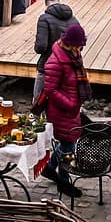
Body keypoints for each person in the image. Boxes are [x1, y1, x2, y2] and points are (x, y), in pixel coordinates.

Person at [40, 23, 90, 198]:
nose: (80, 48)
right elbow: (50, 90)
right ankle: (64, 182)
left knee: (67, 144)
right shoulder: (56, 61)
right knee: (68, 146)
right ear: (69, 44)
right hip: (61, 110)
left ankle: (48, 168)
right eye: (78, 45)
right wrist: (70, 103)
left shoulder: (73, 55)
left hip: (72, 109)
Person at [34, 0, 79, 101]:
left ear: (47, 6)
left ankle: (38, 118)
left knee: (38, 101)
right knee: (62, 100)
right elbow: (79, 44)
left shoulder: (44, 18)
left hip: (47, 65)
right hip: (69, 67)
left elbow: (41, 47)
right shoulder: (73, 19)